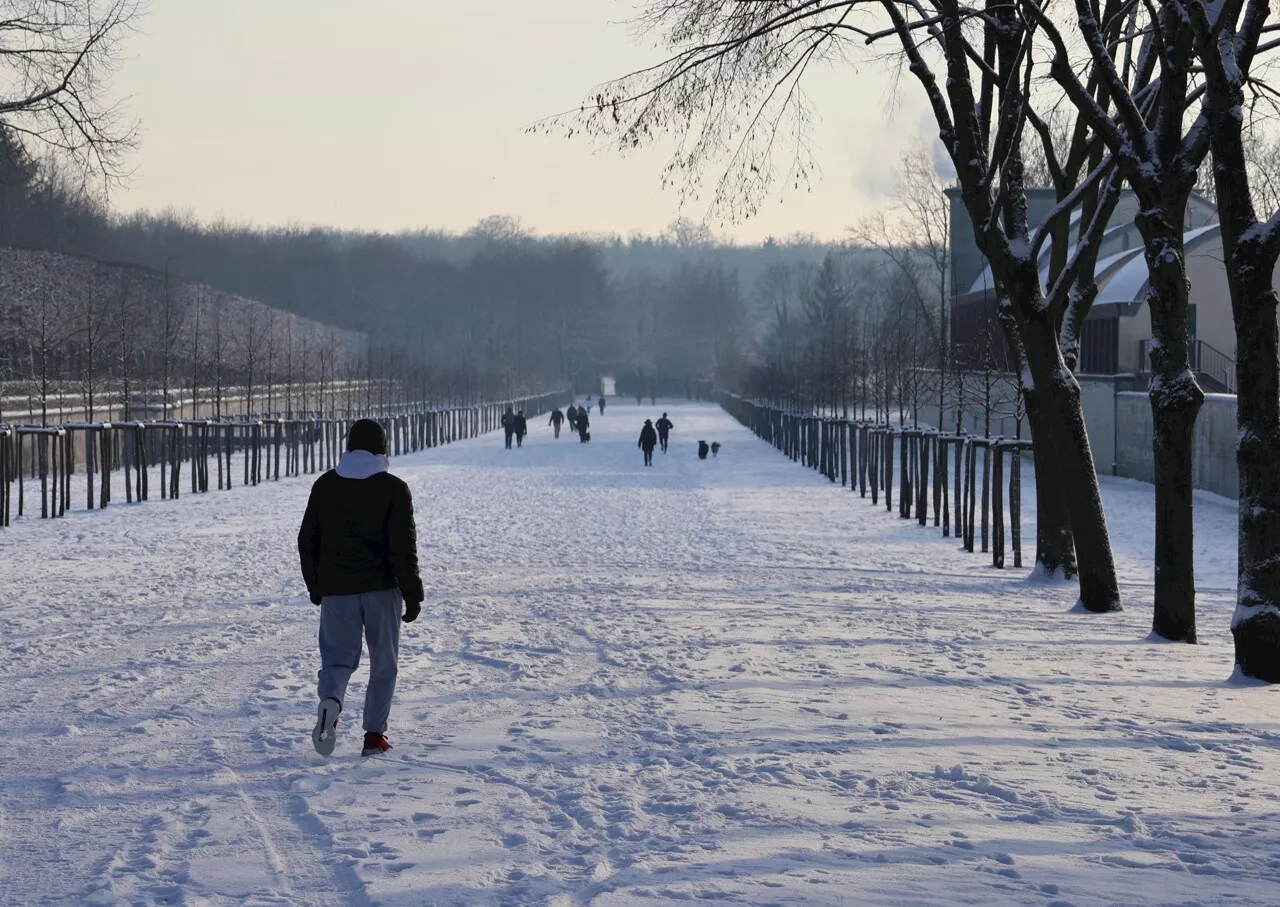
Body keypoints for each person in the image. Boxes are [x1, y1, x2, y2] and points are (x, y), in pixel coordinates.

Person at [299, 418, 424, 758]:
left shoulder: (325, 485)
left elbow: (307, 539)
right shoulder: (394, 488)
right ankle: (373, 737)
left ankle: (331, 703)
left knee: (337, 660)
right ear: (382, 447)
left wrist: (315, 584)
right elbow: (403, 546)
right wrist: (412, 594)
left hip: (337, 590)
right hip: (382, 590)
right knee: (384, 663)